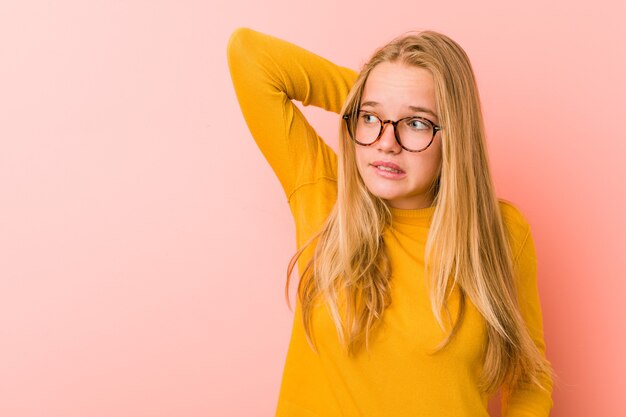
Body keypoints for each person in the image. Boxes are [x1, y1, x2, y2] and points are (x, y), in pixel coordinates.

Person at [227, 27, 555, 417]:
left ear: (455, 135)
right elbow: (250, 55)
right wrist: (379, 98)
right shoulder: (325, 194)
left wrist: (394, 107)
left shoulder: (499, 230)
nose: (386, 142)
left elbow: (528, 379)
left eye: (416, 124)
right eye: (370, 118)